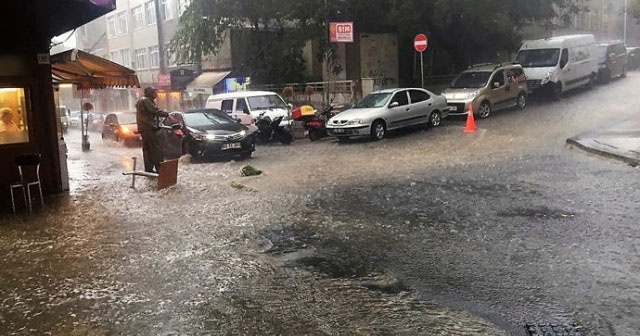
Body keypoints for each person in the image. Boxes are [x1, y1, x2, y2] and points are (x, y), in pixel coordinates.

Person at [136, 87, 168, 173]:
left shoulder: (144, 101)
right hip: (148, 128)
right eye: (154, 92)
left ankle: (149, 168)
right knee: (155, 149)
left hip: (146, 128)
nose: (156, 94)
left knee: (148, 150)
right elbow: (155, 111)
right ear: (150, 93)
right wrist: (167, 115)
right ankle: (159, 168)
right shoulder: (145, 101)